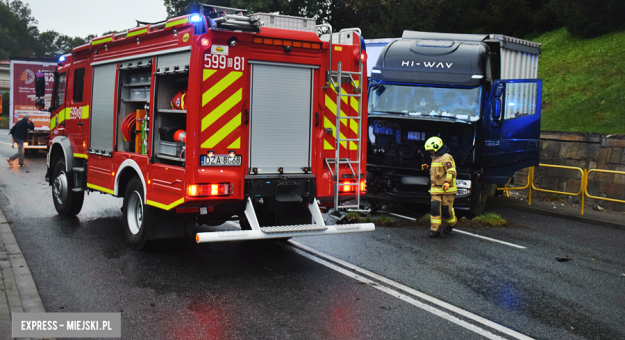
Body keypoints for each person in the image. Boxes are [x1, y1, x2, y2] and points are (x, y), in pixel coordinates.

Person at [424, 136, 457, 238]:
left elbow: (451, 171)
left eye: (431, 150)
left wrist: (447, 182)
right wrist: (428, 168)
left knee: (446, 211)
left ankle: (452, 223)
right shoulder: (435, 158)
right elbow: (437, 172)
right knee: (435, 210)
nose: (431, 153)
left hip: (447, 190)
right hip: (435, 190)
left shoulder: (446, 157)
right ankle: (435, 230)